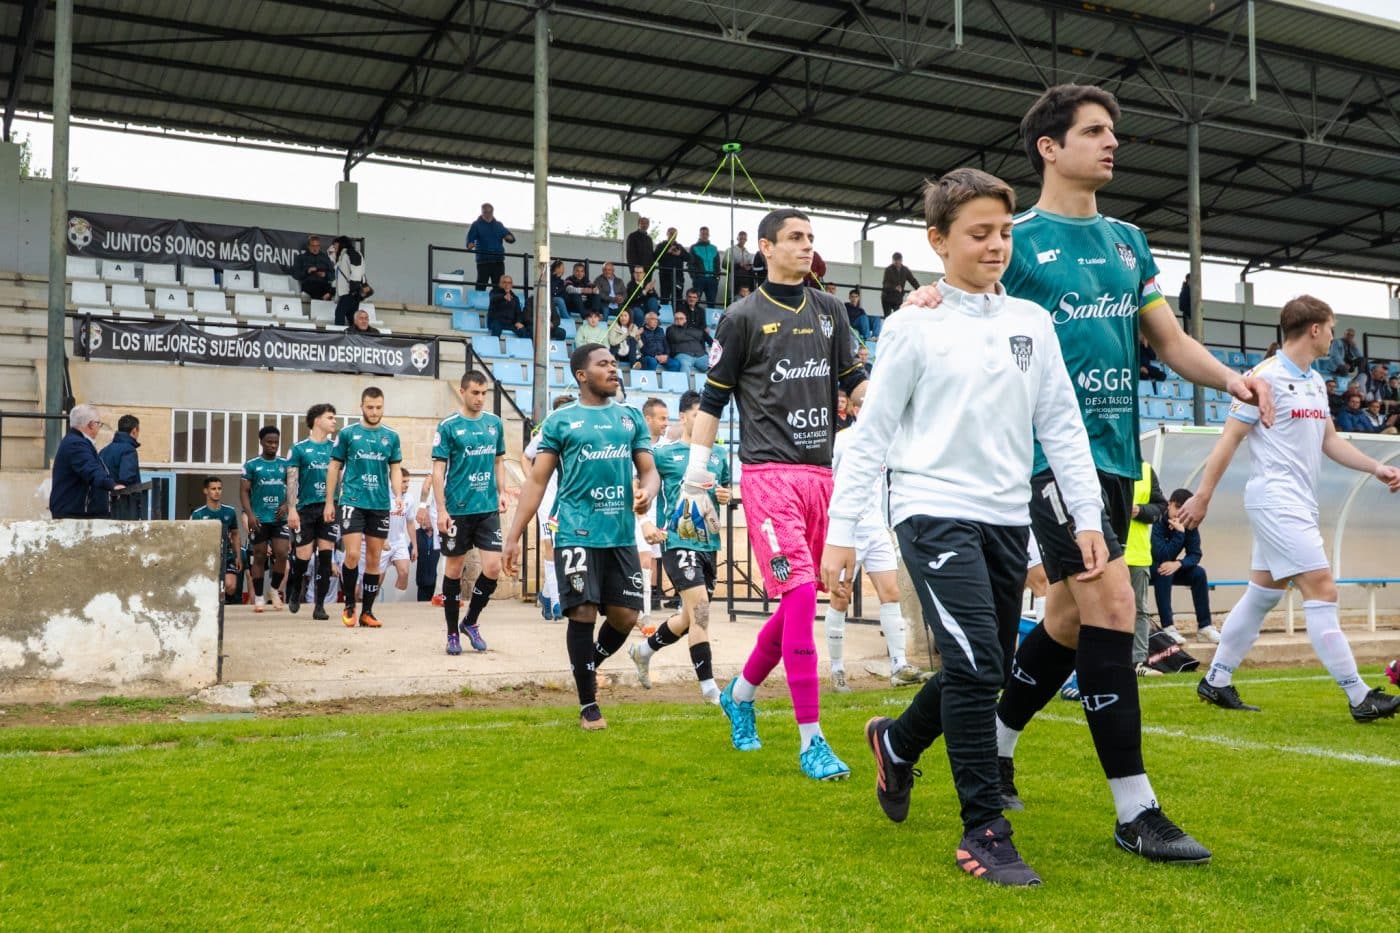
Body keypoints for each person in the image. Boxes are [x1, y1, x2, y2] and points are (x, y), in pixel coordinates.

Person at [903, 84, 1255, 863]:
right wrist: (928, 298)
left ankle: (934, 742)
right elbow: (965, 300)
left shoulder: (1130, 243)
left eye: (1113, 131)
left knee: (1065, 617)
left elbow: (1169, 341)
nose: (1112, 142)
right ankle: (1137, 809)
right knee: (1114, 603)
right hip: (1042, 459)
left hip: (1116, 458)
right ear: (1049, 148)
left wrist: (1232, 378)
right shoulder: (1017, 241)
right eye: (1095, 130)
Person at [824, 167, 1104, 887]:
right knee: (979, 666)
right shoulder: (912, 324)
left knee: (981, 666)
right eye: (979, 233)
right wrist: (841, 533)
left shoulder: (1032, 322)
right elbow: (872, 433)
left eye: (1004, 232)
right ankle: (984, 828)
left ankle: (896, 744)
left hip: (1008, 517)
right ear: (938, 240)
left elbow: (1062, 426)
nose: (997, 245)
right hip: (931, 511)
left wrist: (1087, 516)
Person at [676, 207, 867, 782]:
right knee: (802, 598)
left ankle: (740, 694)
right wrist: (695, 478)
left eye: (811, 237)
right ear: (765, 247)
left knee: (794, 606)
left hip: (821, 477)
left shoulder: (831, 311)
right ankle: (812, 741)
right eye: (795, 237)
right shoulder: (741, 318)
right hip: (768, 478)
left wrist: (887, 412)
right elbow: (712, 402)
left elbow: (856, 384)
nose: (807, 246)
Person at [1182, 294, 1400, 722]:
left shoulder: (1316, 382)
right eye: (1331, 329)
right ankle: (1359, 696)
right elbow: (1229, 440)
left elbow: (1330, 441)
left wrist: (1376, 468)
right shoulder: (1262, 378)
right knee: (1323, 589)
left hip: (1298, 501)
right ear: (1314, 329)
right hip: (1275, 499)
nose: (1334, 338)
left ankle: (1216, 680)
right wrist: (1203, 495)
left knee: (1263, 594)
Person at [503, 345, 659, 730]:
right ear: (581, 375)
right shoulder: (560, 421)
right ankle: (589, 705)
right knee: (583, 612)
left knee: (625, 616)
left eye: (614, 363)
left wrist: (648, 491)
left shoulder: (629, 418)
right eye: (603, 364)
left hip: (619, 534)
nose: (614, 369)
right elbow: (536, 481)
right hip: (575, 530)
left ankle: (588, 664)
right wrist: (514, 534)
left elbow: (649, 470)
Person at [630, 390, 731, 704]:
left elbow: (723, 490)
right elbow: (638, 484)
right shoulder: (664, 454)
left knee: (689, 619)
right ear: (684, 417)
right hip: (676, 541)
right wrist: (644, 522)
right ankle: (710, 689)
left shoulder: (719, 455)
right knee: (701, 610)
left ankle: (643, 651)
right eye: (699, 415)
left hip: (708, 543)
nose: (705, 421)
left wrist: (725, 495)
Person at [824, 396, 925, 692]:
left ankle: (899, 665)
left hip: (876, 528)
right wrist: (835, 527)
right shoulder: (843, 441)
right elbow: (830, 481)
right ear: (856, 410)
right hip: (849, 531)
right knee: (840, 597)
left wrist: (887, 523)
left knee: (891, 593)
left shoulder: (885, 441)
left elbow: (883, 485)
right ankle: (837, 669)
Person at [426, 370, 509, 656]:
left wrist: (501, 491)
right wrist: (441, 509)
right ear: (462, 392)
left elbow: (499, 461)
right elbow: (438, 471)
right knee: (453, 570)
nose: (480, 398)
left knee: (493, 568)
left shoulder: (494, 423)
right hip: (457, 510)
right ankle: (452, 633)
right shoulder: (449, 426)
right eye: (475, 392)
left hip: (487, 508)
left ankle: (470, 621)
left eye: (484, 393)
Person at [324, 387, 404, 628]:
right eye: (370, 407)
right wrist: (330, 501)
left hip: (379, 504)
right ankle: (349, 604)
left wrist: (398, 495)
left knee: (374, 559)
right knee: (352, 554)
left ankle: (367, 612)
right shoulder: (348, 434)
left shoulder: (391, 436)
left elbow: (395, 468)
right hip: (352, 501)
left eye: (378, 407)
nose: (374, 411)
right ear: (361, 406)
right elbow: (334, 467)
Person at [521, 393, 577, 621]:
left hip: (569, 495)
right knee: (549, 544)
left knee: (565, 548)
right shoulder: (547, 431)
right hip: (547, 497)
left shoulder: (579, 432)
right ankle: (556, 602)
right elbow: (526, 457)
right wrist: (532, 482)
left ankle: (546, 594)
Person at [286, 403, 340, 619]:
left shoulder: (335, 448)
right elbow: (292, 480)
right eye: (330, 417)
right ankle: (295, 589)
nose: (334, 421)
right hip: (305, 508)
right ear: (317, 420)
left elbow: (341, 477)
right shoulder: (299, 448)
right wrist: (292, 509)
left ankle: (320, 606)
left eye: (334, 417)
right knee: (303, 556)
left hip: (328, 507)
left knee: (325, 557)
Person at [1150, 489, 1220, 644]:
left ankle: (1205, 628)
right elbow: (1161, 555)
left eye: (1183, 510)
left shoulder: (1188, 524)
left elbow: (1195, 554)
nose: (1178, 514)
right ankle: (1168, 627)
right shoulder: (1158, 520)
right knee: (1164, 570)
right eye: (1176, 508)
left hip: (1172, 567)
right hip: (1149, 567)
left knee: (1199, 573)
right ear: (1169, 504)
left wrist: (1179, 564)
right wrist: (1179, 534)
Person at [1124, 460, 1170, 674]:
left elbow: (1161, 506)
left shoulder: (1145, 469)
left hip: (1138, 554)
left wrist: (1140, 511)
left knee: (1140, 609)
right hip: (1109, 555)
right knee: (1104, 609)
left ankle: (1138, 662)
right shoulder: (1101, 464)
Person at [241, 426, 291, 613]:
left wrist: (287, 505)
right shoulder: (252, 465)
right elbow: (244, 492)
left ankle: (274, 590)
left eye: (276, 442)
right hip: (259, 519)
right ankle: (259, 597)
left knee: (282, 553)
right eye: (269, 442)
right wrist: (250, 514)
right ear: (261, 442)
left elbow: (294, 488)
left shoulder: (285, 464)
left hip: (279, 518)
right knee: (259, 556)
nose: (273, 445)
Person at [49, 404, 121, 519]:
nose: (99, 428)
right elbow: (90, 469)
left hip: (74, 511)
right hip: (75, 513)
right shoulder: (76, 444)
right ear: (91, 425)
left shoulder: (76, 441)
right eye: (98, 423)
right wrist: (111, 484)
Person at [192, 476, 242, 603]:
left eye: (219, 488)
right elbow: (192, 537)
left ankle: (221, 600)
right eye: (213, 489)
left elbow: (235, 534)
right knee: (210, 587)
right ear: (206, 491)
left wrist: (238, 556)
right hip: (207, 556)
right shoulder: (198, 514)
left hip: (227, 554)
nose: (217, 491)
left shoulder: (230, 511)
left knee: (230, 586)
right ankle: (216, 605)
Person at [99, 413, 142, 518]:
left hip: (104, 504)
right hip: (124, 506)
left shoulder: (104, 451)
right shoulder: (129, 450)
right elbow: (126, 478)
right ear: (134, 431)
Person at [465, 203, 515, 291]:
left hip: (498, 261)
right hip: (483, 261)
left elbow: (511, 238)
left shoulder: (498, 225)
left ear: (493, 212)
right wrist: (470, 244)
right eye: (485, 212)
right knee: (481, 284)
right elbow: (470, 240)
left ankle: (498, 299)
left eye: (490, 212)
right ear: (482, 212)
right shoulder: (476, 225)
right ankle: (478, 299)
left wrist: (509, 237)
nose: (488, 214)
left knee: (499, 287)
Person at [331, 236, 372, 327]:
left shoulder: (351, 253)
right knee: (351, 316)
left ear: (341, 244)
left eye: (335, 245)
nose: (334, 247)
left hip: (350, 292)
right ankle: (354, 334)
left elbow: (356, 271)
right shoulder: (344, 255)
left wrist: (354, 288)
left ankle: (339, 334)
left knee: (339, 313)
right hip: (350, 292)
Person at [486, 275, 530, 339]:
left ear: (511, 285)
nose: (507, 284)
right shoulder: (494, 292)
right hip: (496, 321)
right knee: (496, 327)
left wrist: (518, 322)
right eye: (505, 282)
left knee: (522, 330)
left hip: (510, 324)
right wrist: (503, 297)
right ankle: (494, 344)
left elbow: (518, 313)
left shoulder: (515, 298)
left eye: (509, 283)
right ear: (501, 284)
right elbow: (493, 299)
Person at [292, 235, 335, 300]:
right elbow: (296, 275)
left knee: (331, 291)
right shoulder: (301, 258)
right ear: (308, 246)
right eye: (313, 246)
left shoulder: (325, 258)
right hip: (309, 285)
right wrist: (307, 271)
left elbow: (333, 275)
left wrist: (325, 274)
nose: (315, 248)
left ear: (320, 246)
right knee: (313, 289)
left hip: (323, 285)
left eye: (317, 246)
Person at [665, 309, 708, 373]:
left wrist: (685, 332)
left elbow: (699, 335)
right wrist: (689, 334)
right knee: (684, 366)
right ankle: (685, 380)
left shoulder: (692, 328)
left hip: (700, 355)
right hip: (683, 355)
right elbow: (676, 338)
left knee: (713, 366)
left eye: (681, 318)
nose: (679, 320)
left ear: (685, 320)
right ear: (674, 321)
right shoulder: (670, 329)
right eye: (676, 319)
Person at [880, 252, 919, 319]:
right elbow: (885, 284)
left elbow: (912, 280)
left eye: (897, 262)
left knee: (898, 318)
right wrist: (895, 287)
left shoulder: (905, 270)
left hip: (898, 299)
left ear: (901, 261)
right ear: (892, 260)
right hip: (887, 298)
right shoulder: (888, 269)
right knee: (888, 318)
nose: (896, 264)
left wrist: (919, 289)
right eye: (895, 262)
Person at [657, 228, 689, 308]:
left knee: (678, 299)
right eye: (671, 233)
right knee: (664, 298)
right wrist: (667, 252)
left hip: (678, 277)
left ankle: (678, 315)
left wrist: (680, 254)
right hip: (665, 277)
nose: (672, 235)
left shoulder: (679, 246)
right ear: (667, 234)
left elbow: (689, 258)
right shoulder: (661, 245)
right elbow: (656, 258)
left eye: (675, 234)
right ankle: (664, 315)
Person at [689, 227, 720, 306]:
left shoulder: (714, 248)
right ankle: (694, 314)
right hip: (699, 278)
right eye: (703, 234)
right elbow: (690, 263)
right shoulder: (694, 247)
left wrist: (717, 277)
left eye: (706, 234)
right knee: (695, 302)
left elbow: (717, 264)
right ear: (699, 235)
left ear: (709, 235)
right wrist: (694, 277)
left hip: (712, 279)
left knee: (711, 303)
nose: (704, 236)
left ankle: (710, 315)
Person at [728, 231, 755, 298]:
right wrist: (739, 265)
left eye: (744, 239)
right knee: (736, 300)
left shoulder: (747, 253)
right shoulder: (731, 250)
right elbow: (725, 265)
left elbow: (750, 267)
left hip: (746, 285)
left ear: (746, 240)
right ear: (737, 238)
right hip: (735, 283)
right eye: (741, 239)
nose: (742, 240)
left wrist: (749, 267)